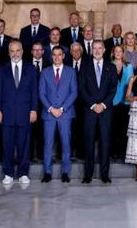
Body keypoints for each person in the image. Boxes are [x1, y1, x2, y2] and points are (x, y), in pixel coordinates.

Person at [0, 40, 38, 185]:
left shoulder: (31, 69)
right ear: (8, 52)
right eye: (12, 51)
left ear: (22, 51)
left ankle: (23, 172)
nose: (15, 53)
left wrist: (34, 109)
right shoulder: (2, 69)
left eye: (17, 50)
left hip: (25, 113)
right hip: (6, 113)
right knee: (7, 145)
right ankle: (8, 173)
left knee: (24, 145)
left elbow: (34, 91)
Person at [79, 40, 118, 183]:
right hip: (89, 110)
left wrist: (103, 104)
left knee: (105, 143)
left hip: (106, 111)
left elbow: (114, 89)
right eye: (94, 48)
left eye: (99, 48)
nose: (96, 51)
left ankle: (104, 174)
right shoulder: (84, 66)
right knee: (88, 142)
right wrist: (93, 105)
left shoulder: (111, 67)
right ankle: (87, 175)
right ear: (91, 50)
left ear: (104, 50)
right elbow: (81, 88)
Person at [39, 46, 78, 183]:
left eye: (59, 54)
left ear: (63, 56)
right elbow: (41, 93)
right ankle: (47, 172)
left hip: (65, 114)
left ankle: (65, 172)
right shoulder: (44, 72)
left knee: (66, 143)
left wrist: (61, 109)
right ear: (51, 56)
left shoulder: (71, 72)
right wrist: (51, 108)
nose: (56, 57)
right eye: (54, 54)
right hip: (49, 114)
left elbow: (74, 93)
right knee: (48, 144)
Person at [65, 42, 90, 160]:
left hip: (83, 102)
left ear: (81, 51)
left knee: (82, 127)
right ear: (70, 52)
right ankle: (66, 153)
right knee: (68, 128)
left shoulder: (88, 64)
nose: (75, 53)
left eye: (78, 50)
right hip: (68, 102)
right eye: (73, 51)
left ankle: (81, 153)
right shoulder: (66, 64)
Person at [111, 44, 134, 158]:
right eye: (116, 51)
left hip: (125, 101)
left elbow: (131, 84)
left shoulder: (129, 66)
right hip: (113, 101)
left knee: (125, 128)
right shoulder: (109, 65)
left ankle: (123, 152)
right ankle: (114, 152)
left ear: (123, 53)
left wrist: (131, 101)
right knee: (113, 127)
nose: (118, 53)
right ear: (113, 53)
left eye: (120, 51)